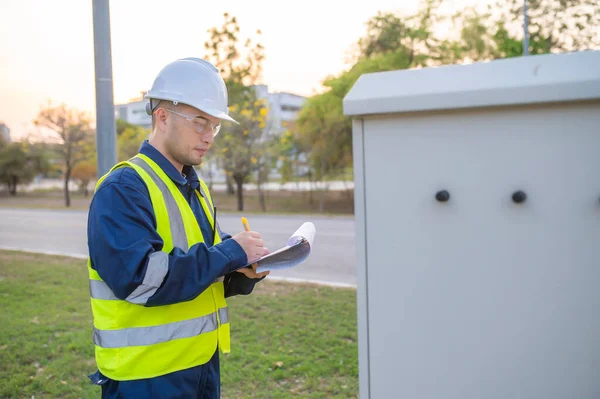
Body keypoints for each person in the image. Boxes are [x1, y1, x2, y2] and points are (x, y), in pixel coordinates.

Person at [86, 57, 270, 398]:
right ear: (163, 116)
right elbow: (141, 279)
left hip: (198, 369)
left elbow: (199, 268)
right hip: (146, 379)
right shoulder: (124, 187)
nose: (208, 136)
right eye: (200, 122)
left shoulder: (192, 186)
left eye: (214, 125)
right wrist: (229, 252)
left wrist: (240, 272)